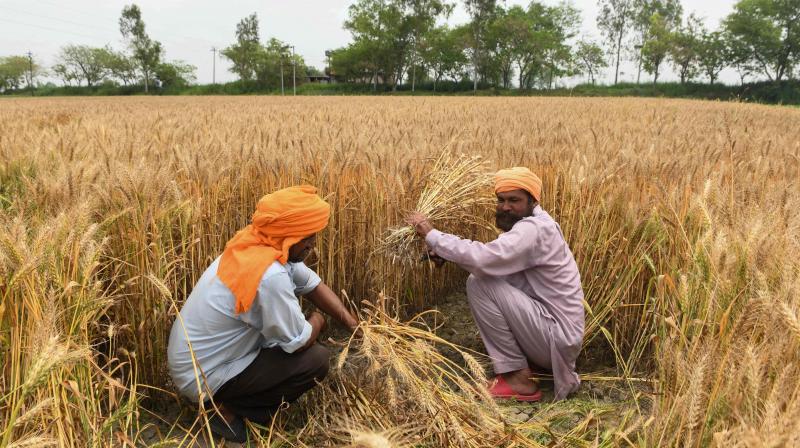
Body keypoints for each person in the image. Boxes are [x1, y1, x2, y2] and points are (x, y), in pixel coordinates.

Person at [167, 185, 358, 443]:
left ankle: (231, 402)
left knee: (289, 342)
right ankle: (225, 410)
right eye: (308, 237)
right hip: (202, 376)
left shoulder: (257, 244)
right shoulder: (270, 275)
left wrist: (354, 325)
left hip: (196, 362)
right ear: (289, 237)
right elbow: (299, 343)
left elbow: (313, 285)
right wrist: (319, 320)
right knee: (317, 360)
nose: (313, 243)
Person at [406, 167, 584, 401]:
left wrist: (432, 235)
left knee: (479, 283)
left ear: (533, 200)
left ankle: (518, 379)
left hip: (555, 338)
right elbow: (497, 264)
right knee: (487, 278)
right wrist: (447, 253)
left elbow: (484, 261)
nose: (505, 207)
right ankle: (530, 364)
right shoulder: (536, 225)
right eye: (501, 200)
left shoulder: (534, 230)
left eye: (514, 200)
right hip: (555, 337)